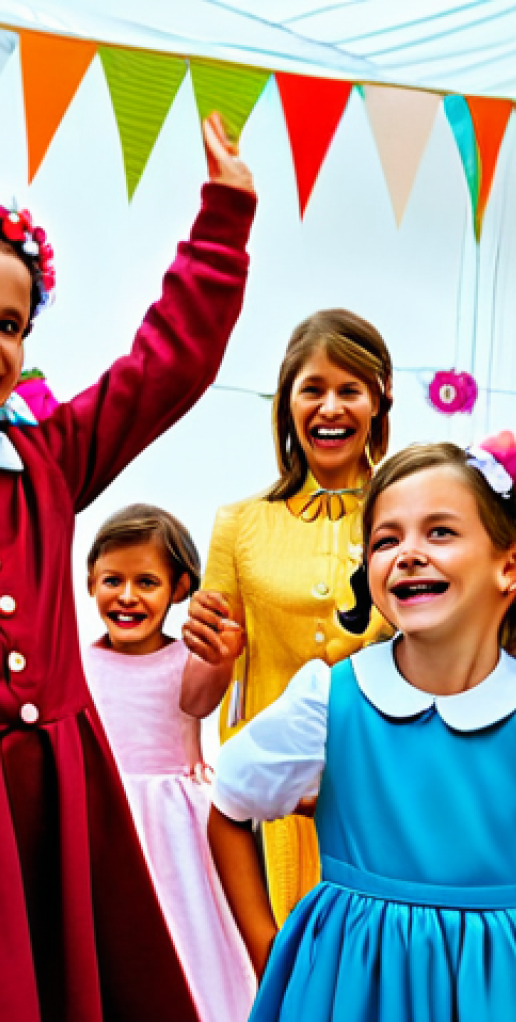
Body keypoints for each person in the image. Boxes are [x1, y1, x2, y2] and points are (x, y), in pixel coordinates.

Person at [0, 114, 255, 1022]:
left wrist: (224, 222)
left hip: (53, 798)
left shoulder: (44, 461)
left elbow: (166, 369)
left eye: (9, 324)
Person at [206, 442, 516, 1022]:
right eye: (385, 540)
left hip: (499, 997)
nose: (408, 554)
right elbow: (229, 805)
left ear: (514, 564)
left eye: (440, 532)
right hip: (347, 992)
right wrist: (266, 946)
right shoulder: (330, 701)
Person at [181, 309, 393, 923]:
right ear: (287, 403)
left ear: (379, 402)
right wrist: (213, 658)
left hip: (381, 784)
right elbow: (197, 701)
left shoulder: (409, 512)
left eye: (350, 390)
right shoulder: (239, 524)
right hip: (275, 793)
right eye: (314, 390)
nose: (331, 408)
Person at [83, 504, 256, 1022]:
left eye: (147, 582)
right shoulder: (77, 659)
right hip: (100, 813)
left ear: (179, 589)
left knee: (184, 926)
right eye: (113, 580)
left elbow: (202, 701)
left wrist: (222, 658)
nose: (128, 596)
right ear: (91, 583)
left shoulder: (187, 657)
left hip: (171, 823)